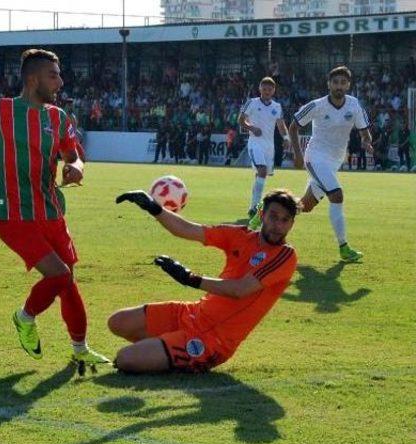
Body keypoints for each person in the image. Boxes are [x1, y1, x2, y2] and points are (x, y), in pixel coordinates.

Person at [0, 48, 110, 372]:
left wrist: (76, 169)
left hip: (50, 210)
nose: (60, 81)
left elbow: (74, 156)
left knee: (67, 280)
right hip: (12, 213)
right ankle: (24, 317)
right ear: (33, 79)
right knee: (58, 274)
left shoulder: (58, 117)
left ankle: (80, 348)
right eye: (53, 75)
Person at [109, 189, 299, 374]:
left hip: (213, 339)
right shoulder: (240, 236)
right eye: (274, 217)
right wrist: (154, 208)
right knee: (117, 322)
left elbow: (240, 289)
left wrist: (190, 278)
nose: (278, 225)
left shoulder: (285, 256)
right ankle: (165, 348)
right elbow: (187, 229)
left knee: (126, 359)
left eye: (285, 220)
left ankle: (167, 351)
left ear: (291, 224)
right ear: (262, 214)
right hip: (193, 313)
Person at [252, 66, 373, 262]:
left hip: (334, 161)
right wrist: (298, 154)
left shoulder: (354, 105)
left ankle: (263, 210)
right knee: (337, 194)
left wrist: (367, 141)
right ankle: (344, 247)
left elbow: (364, 130)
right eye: (335, 82)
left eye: (343, 83)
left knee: (304, 206)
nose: (339, 86)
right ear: (329, 84)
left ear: (348, 85)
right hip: (315, 157)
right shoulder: (317, 105)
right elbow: (293, 126)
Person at [238, 77, 290, 217]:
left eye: (270, 89)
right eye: (264, 89)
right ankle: (254, 208)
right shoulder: (252, 103)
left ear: (273, 90)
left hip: (269, 146)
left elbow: (281, 124)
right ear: (260, 89)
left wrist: (286, 138)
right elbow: (241, 120)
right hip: (255, 143)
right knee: (262, 170)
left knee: (261, 175)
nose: (267, 91)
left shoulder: (276, 106)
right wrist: (252, 128)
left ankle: (253, 206)